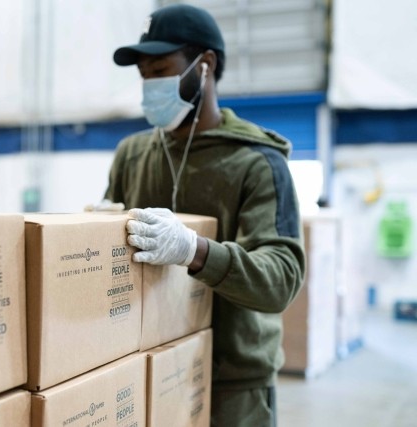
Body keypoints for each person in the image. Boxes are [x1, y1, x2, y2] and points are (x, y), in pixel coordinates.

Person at [104, 4, 306, 427]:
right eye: (143, 75)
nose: (149, 85)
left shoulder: (257, 163)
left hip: (232, 386)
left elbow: (281, 280)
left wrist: (193, 251)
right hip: (147, 367)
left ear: (205, 65)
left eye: (160, 69)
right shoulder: (133, 154)